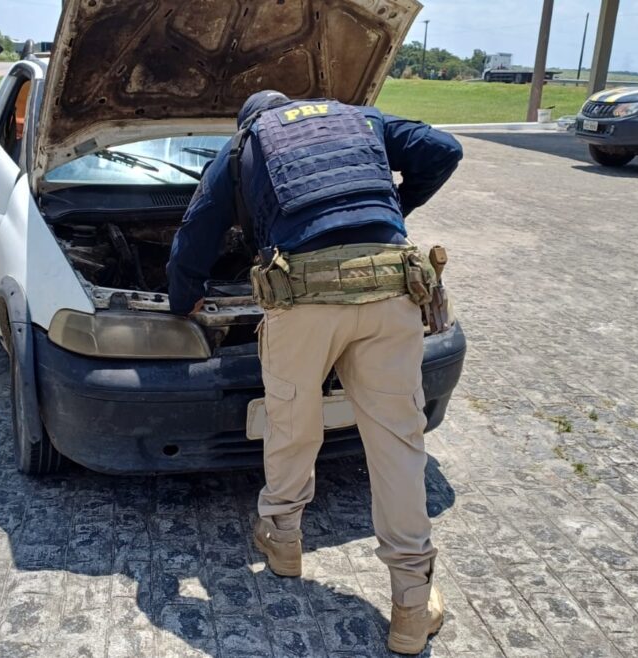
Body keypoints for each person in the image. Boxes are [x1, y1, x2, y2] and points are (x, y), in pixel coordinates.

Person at [166, 90, 462, 655]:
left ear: (250, 119)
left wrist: (184, 302)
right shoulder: (360, 118)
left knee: (292, 421)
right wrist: (396, 208)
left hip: (301, 302)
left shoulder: (242, 148)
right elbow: (443, 150)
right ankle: (409, 605)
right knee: (397, 441)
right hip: (387, 291)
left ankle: (282, 541)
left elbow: (195, 240)